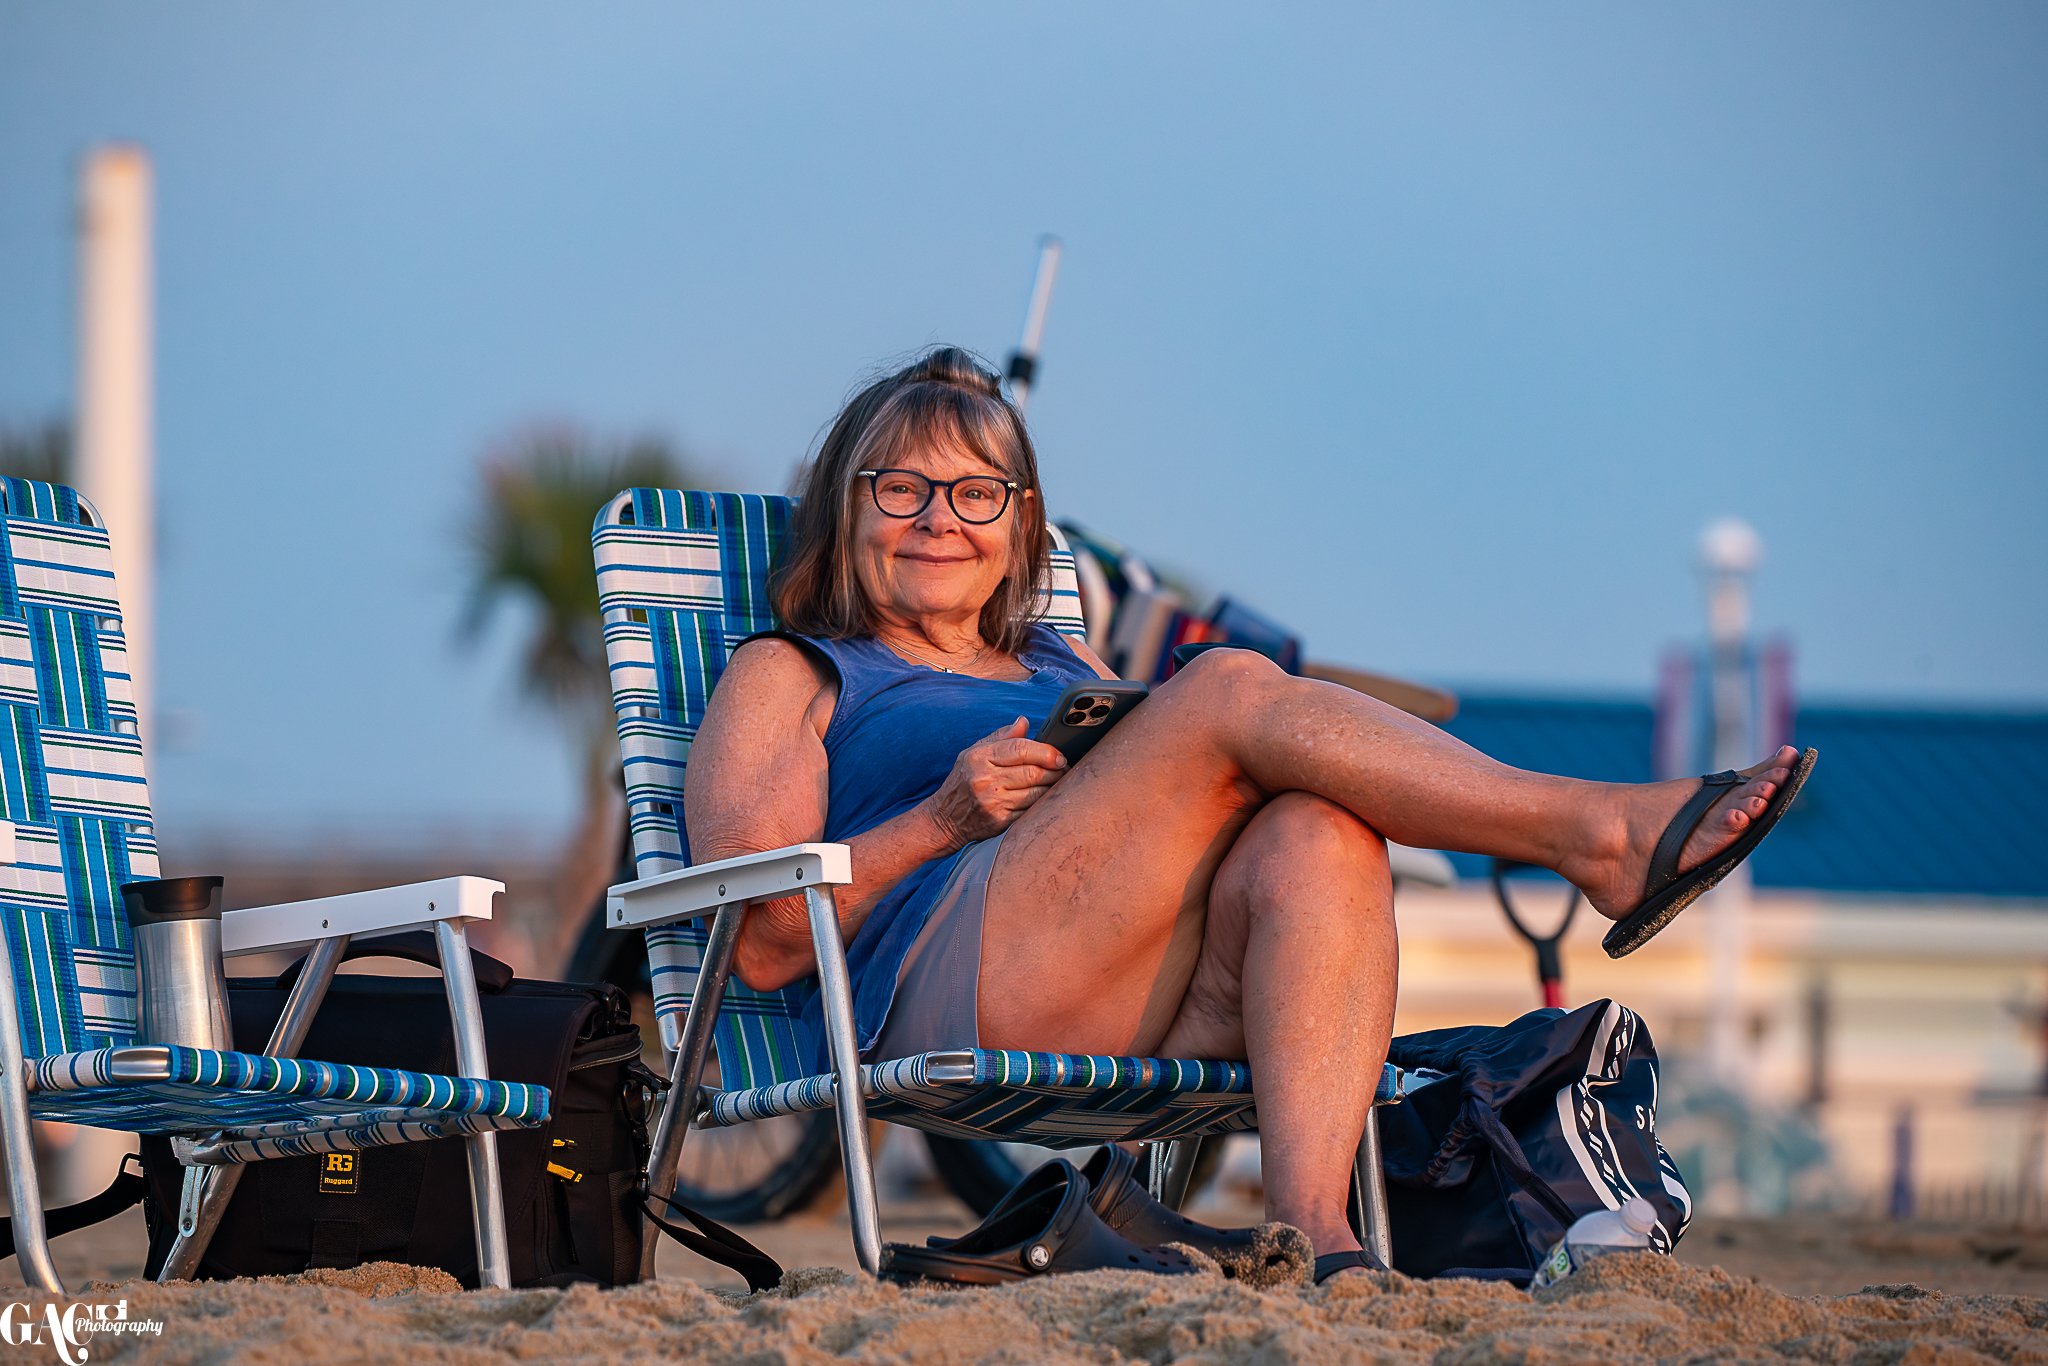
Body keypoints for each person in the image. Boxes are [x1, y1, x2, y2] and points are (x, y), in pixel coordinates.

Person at [686, 346, 1809, 1281]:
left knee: (1316, 832)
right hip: (952, 990)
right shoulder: (794, 672)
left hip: (1141, 990)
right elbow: (765, 938)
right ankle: (1596, 833)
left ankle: (1315, 1235)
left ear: (1018, 530)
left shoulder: (1055, 656)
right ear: (847, 511)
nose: (941, 519)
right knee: (1222, 689)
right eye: (901, 488)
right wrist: (940, 816)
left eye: (977, 493)